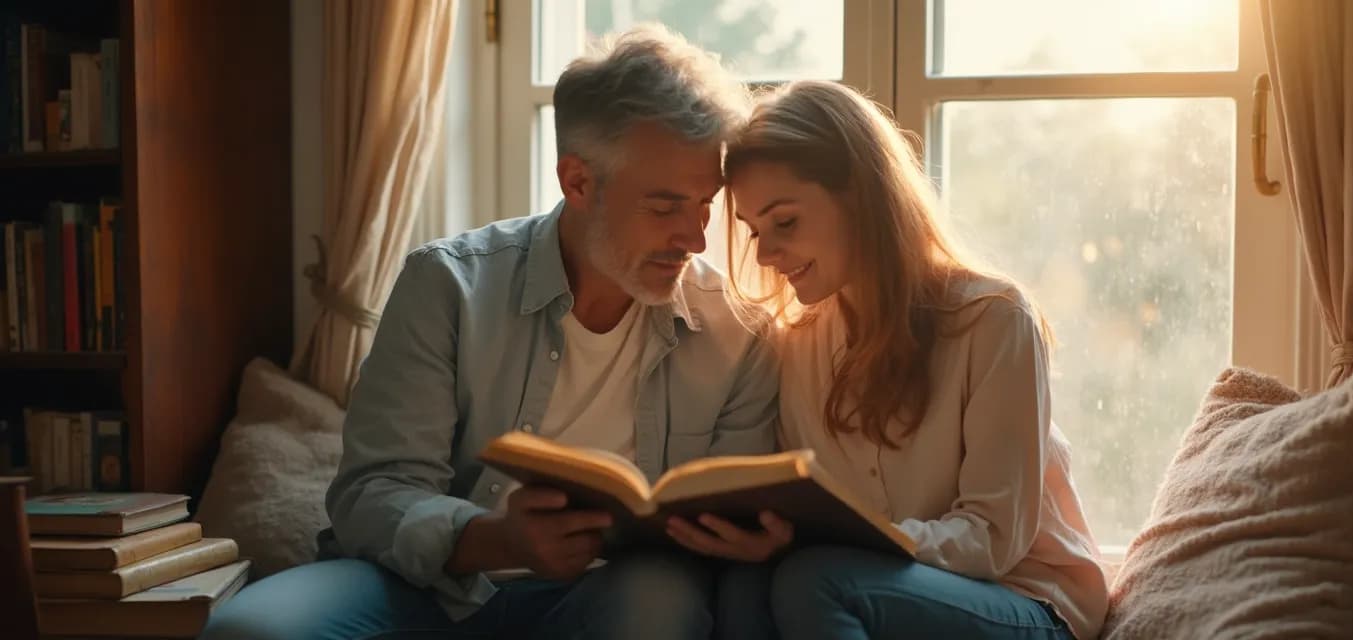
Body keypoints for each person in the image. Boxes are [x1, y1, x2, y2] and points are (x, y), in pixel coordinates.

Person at [200, 25, 779, 640]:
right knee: (251, 630)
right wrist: (494, 539)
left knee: (660, 604)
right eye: (665, 208)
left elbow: (727, 508)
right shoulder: (447, 285)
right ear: (577, 181)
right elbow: (372, 492)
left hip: (610, 593)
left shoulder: (735, 329)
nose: (693, 239)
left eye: (705, 206)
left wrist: (750, 539)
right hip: (424, 586)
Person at [662, 80, 1110, 640]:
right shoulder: (795, 344)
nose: (768, 255)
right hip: (884, 586)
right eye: (756, 232)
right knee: (746, 584)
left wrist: (828, 542)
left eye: (786, 222)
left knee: (814, 579)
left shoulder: (994, 320)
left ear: (860, 194)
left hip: (1028, 599)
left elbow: (992, 541)